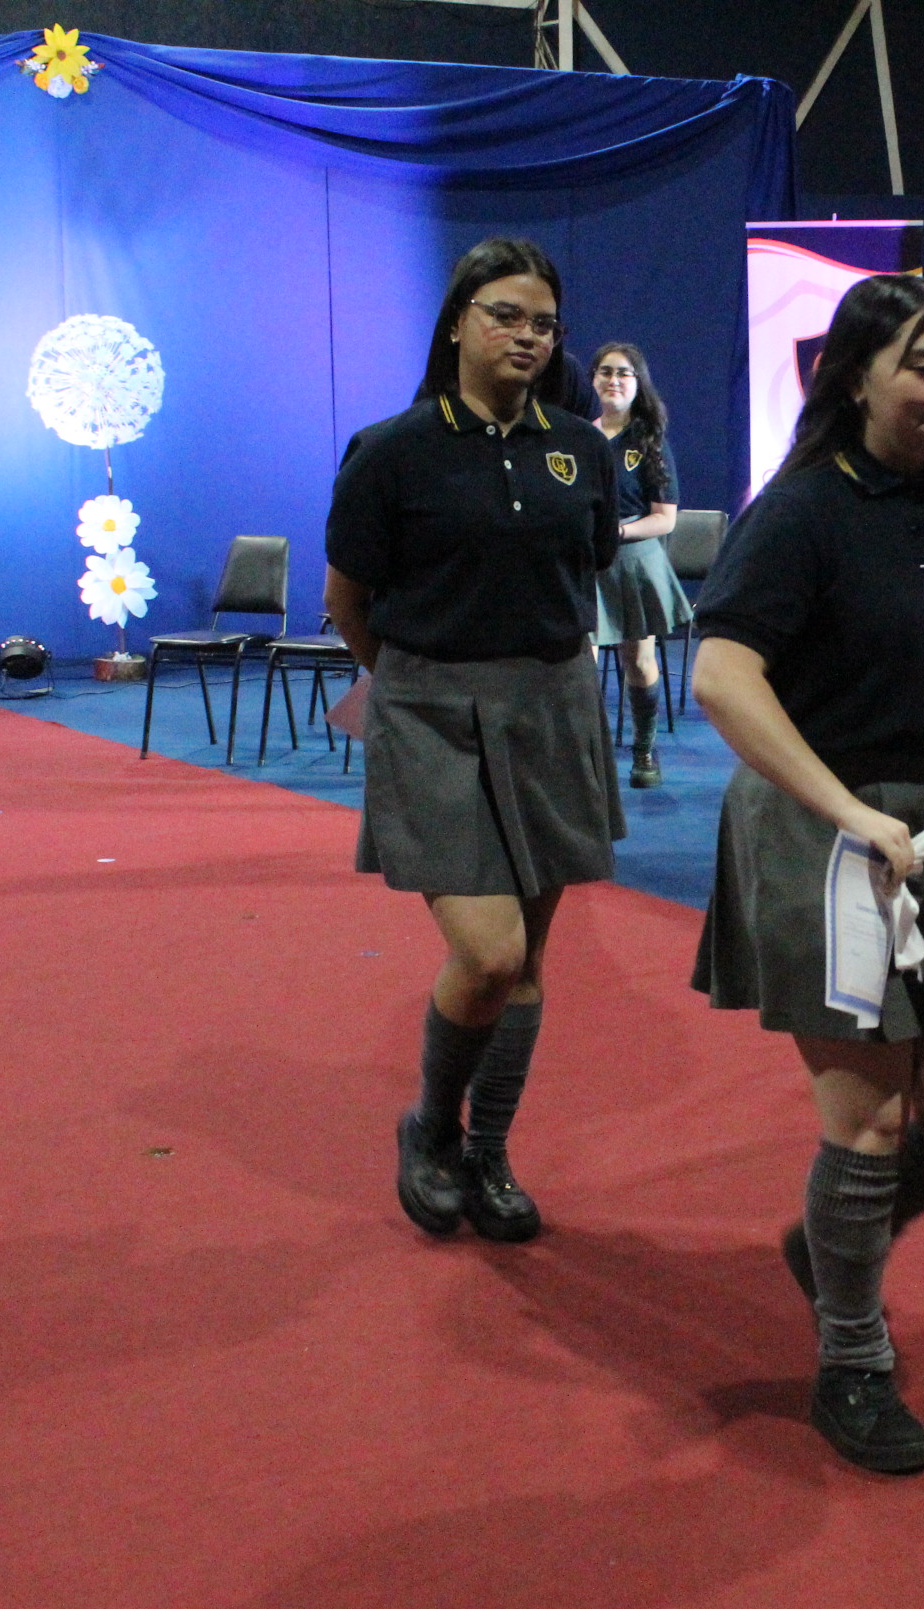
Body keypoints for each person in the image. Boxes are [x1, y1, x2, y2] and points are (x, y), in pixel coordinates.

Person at [690, 273, 924, 1476]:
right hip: (824, 828)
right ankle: (851, 1356)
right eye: (923, 365)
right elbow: (723, 678)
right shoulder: (798, 513)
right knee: (872, 1118)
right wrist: (847, 810)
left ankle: (829, 1249)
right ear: (857, 378)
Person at [323, 236, 620, 1247]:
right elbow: (349, 602)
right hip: (429, 712)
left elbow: (587, 571)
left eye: (544, 323)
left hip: (553, 708)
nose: (526, 336)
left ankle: (489, 1153)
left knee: (528, 960)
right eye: (505, 315)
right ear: (457, 321)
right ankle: (431, 1127)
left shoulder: (582, 448)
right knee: (489, 956)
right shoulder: (390, 451)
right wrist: (416, 686)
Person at [587, 341, 694, 789]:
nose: (613, 380)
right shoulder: (579, 438)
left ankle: (644, 750)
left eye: (623, 373)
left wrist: (618, 532)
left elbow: (665, 518)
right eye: (606, 371)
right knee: (582, 662)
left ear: (638, 383)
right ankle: (588, 755)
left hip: (635, 559)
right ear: (594, 379)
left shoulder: (650, 441)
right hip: (587, 562)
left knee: (639, 660)